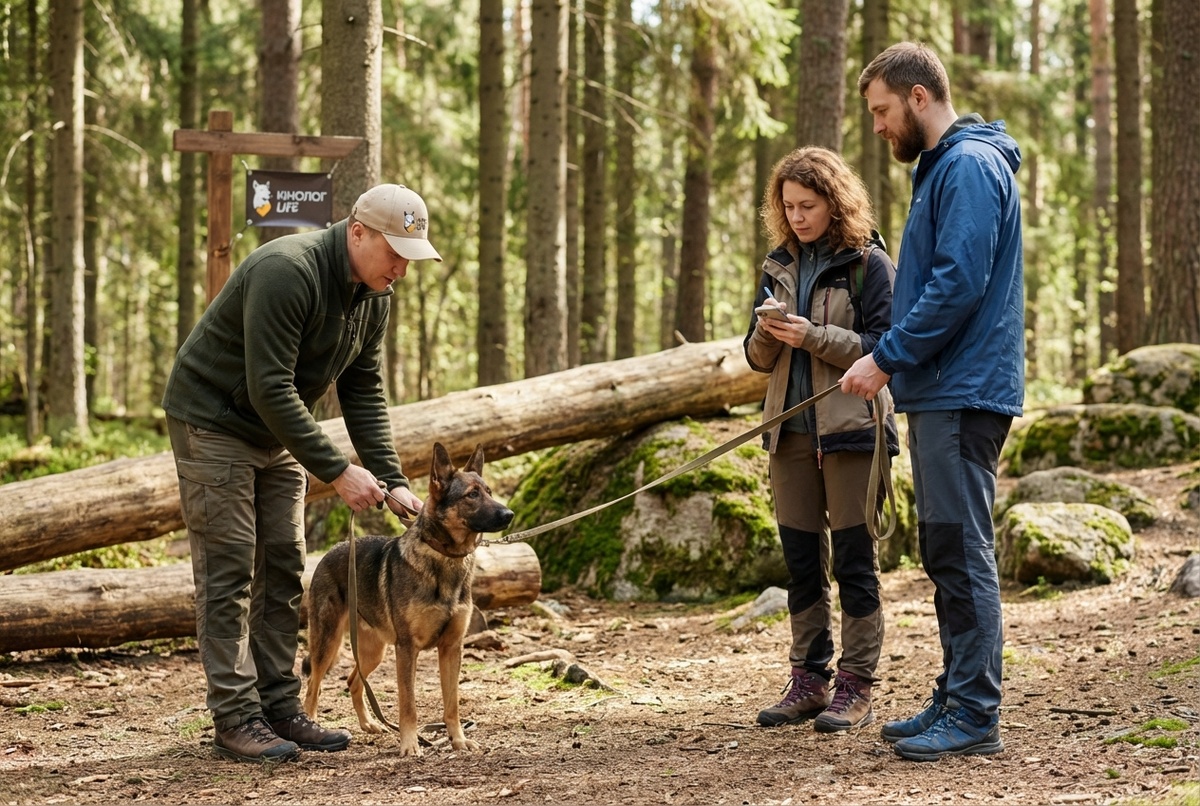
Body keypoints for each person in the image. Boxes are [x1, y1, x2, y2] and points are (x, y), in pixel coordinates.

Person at [162, 183, 436, 763]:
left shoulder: (374, 296)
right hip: (214, 420)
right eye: (395, 254)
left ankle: (280, 706)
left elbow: (363, 390)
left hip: (275, 429)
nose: (401, 271)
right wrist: (337, 470)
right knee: (230, 569)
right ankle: (236, 718)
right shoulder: (288, 271)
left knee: (285, 568)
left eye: (411, 259)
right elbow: (268, 385)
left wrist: (393, 481)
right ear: (357, 232)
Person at [841, 42, 1025, 761]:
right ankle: (956, 692)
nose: (880, 127)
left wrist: (885, 358)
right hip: (947, 387)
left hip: (963, 388)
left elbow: (957, 282)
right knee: (945, 543)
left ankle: (976, 714)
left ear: (919, 98)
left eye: (884, 111)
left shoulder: (971, 168)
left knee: (961, 545)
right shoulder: (948, 168)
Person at [743, 146, 898, 734]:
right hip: (788, 431)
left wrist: (812, 336)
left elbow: (887, 348)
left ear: (835, 202)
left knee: (855, 561)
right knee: (801, 562)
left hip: (855, 430)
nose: (798, 216)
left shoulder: (870, 264)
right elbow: (756, 359)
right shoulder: (777, 263)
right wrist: (768, 334)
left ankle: (856, 684)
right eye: (788, 205)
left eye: (808, 204)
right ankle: (809, 678)